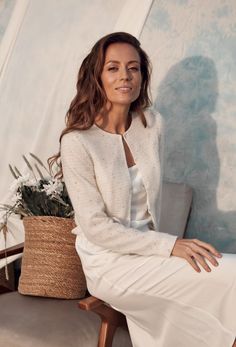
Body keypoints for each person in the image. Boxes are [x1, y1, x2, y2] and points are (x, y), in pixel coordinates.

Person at [50, 32, 236, 347]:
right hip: (109, 262)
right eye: (113, 68)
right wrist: (170, 246)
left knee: (220, 272)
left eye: (133, 68)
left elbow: (151, 203)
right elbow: (95, 227)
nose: (125, 76)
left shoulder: (152, 124)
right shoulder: (78, 141)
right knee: (231, 275)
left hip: (151, 250)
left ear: (142, 76)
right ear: (97, 76)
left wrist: (166, 247)